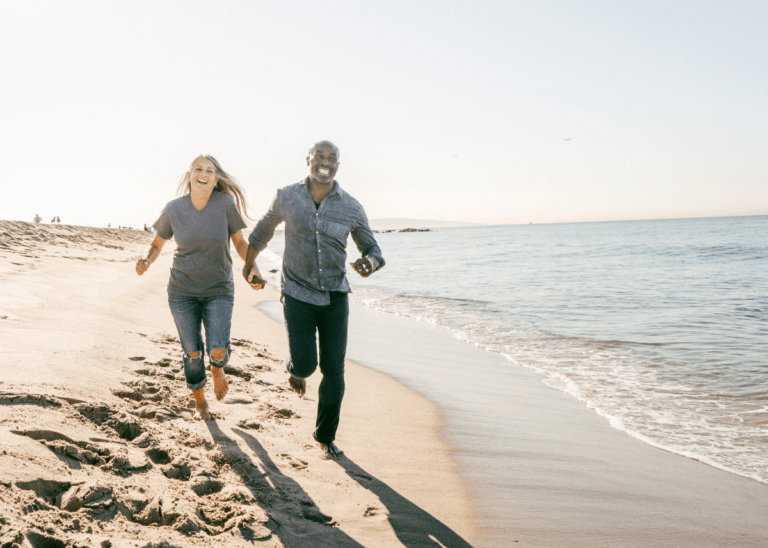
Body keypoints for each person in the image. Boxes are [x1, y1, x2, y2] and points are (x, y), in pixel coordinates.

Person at [242, 140, 385, 458]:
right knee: (307, 366)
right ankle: (295, 369)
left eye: (332, 157)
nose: (325, 161)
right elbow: (263, 231)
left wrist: (369, 263)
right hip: (297, 293)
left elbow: (373, 249)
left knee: (334, 369)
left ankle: (325, 436)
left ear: (338, 165)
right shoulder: (287, 196)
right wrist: (249, 263)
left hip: (336, 295)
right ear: (307, 160)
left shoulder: (350, 206)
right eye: (319, 155)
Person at [135, 155, 258, 420]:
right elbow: (157, 244)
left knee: (217, 350)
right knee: (192, 352)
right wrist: (146, 259)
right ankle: (200, 402)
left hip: (219, 289)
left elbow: (238, 242)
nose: (203, 173)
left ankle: (216, 368)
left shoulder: (225, 204)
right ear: (190, 175)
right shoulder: (174, 209)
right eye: (198, 169)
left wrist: (252, 269)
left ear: (215, 181)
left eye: (210, 171)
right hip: (182, 291)